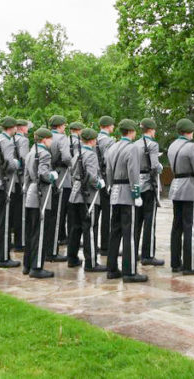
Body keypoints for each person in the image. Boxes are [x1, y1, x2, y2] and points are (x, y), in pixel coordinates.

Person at [167, 118, 194, 276]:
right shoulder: (192, 146)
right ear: (190, 131)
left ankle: (175, 263)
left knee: (176, 227)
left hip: (176, 186)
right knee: (190, 228)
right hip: (189, 188)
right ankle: (190, 265)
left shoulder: (172, 145)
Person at [107, 119, 146, 282]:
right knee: (129, 234)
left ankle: (112, 269)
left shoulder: (112, 147)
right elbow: (133, 172)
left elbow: (108, 170)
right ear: (131, 132)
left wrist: (110, 186)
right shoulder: (132, 148)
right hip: (127, 193)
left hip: (114, 191)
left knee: (114, 232)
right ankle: (129, 272)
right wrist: (136, 193)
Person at [67, 128, 107, 271]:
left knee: (75, 227)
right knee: (90, 228)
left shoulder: (77, 152)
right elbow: (91, 175)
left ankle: (71, 258)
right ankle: (91, 263)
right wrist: (98, 183)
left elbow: (73, 173)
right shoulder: (90, 154)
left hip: (76, 193)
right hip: (88, 195)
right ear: (91, 140)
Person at [0, 117, 21, 268]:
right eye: (15, 127)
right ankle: (3, 257)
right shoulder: (6, 141)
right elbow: (8, 163)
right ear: (11, 128)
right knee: (3, 221)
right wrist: (17, 163)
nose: (16, 129)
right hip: (3, 181)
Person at [23, 127, 57, 278]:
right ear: (44, 140)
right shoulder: (44, 154)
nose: (51, 141)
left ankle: (27, 264)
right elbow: (43, 174)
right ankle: (37, 267)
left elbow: (26, 176)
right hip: (40, 194)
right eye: (50, 139)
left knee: (31, 231)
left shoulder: (31, 153)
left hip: (31, 192)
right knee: (40, 232)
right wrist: (52, 176)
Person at [135, 118, 164, 266]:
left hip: (136, 185)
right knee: (149, 221)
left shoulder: (134, 144)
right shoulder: (152, 144)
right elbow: (154, 165)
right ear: (151, 130)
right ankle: (148, 255)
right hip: (148, 185)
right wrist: (161, 167)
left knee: (137, 221)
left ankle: (134, 252)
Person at [48, 115, 72, 261]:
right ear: (60, 126)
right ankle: (52, 251)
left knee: (52, 214)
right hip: (62, 177)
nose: (65, 127)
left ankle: (49, 248)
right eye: (64, 125)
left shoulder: (47, 136)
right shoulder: (62, 138)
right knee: (57, 217)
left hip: (51, 176)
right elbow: (67, 158)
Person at [95, 116, 116, 256]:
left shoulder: (94, 138)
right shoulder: (109, 141)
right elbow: (109, 162)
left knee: (95, 215)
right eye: (112, 125)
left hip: (95, 179)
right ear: (108, 126)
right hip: (105, 179)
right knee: (106, 214)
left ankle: (93, 244)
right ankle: (105, 246)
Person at [11, 119, 31, 251]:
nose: (28, 130)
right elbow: (25, 159)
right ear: (22, 128)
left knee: (15, 211)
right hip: (20, 178)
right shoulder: (23, 140)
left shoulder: (11, 139)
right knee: (21, 213)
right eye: (27, 127)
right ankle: (21, 242)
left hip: (12, 179)